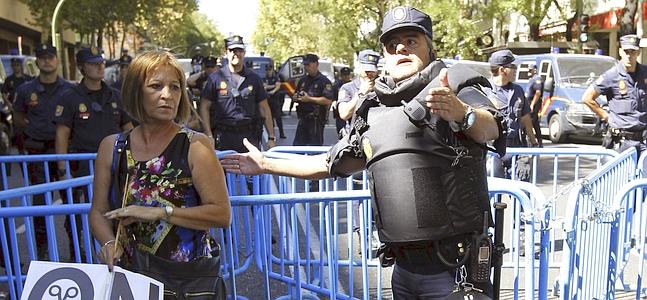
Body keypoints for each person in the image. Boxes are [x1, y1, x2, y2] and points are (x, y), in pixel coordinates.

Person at [222, 6, 504, 298]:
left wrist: (463, 113)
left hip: (454, 270)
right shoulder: (373, 108)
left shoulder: (455, 86)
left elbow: (491, 128)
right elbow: (329, 163)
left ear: (429, 47)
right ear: (384, 54)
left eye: (411, 40)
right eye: (392, 44)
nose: (401, 48)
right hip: (404, 271)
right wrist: (266, 164)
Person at [89, 50, 231, 272]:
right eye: (156, 86)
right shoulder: (112, 147)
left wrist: (162, 212)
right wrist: (108, 243)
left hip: (185, 281)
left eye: (175, 87)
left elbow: (221, 214)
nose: (168, 95)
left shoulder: (196, 146)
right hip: (130, 275)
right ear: (136, 91)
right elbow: (98, 211)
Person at [54, 47, 133, 258]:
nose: (100, 67)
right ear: (81, 67)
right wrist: (62, 169)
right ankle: (77, 253)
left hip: (116, 165)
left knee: (117, 209)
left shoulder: (114, 95)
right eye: (93, 63)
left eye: (101, 62)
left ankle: (118, 251)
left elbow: (128, 128)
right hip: (83, 167)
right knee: (80, 214)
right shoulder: (69, 97)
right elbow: (62, 134)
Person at [13, 44, 72, 259]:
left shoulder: (69, 89)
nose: (47, 61)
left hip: (64, 154)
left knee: (72, 204)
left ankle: (76, 248)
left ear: (57, 60)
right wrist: (31, 128)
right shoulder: (25, 90)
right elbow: (17, 116)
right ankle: (43, 252)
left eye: (50, 57)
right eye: (43, 57)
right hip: (38, 154)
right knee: (39, 207)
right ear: (37, 61)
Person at [199, 35, 275, 152]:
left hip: (249, 137)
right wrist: (208, 134)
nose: (236, 54)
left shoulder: (254, 79)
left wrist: (271, 137)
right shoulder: (215, 78)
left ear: (244, 53)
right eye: (232, 50)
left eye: (239, 50)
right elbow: (204, 107)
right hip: (223, 138)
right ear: (226, 52)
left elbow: (264, 109)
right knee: (223, 170)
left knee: (251, 169)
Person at [584, 34, 647, 161]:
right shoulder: (611, 76)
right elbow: (587, 98)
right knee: (619, 180)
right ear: (620, 52)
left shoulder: (645, 73)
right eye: (626, 51)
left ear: (638, 52)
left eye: (633, 52)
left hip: (643, 141)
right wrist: (606, 116)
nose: (629, 55)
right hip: (621, 142)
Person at [488, 49, 538, 180]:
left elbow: (526, 119)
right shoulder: (485, 90)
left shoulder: (517, 90)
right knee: (494, 187)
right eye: (513, 67)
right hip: (493, 148)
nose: (516, 70)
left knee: (521, 187)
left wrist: (533, 143)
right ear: (502, 69)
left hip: (517, 146)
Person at [292, 54, 334, 146]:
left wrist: (309, 99)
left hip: (316, 120)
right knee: (297, 147)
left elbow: (328, 100)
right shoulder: (303, 80)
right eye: (305, 65)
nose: (306, 67)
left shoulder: (324, 81)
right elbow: (296, 94)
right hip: (303, 118)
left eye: (309, 65)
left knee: (314, 149)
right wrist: (295, 97)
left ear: (316, 64)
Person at [263, 64, 286, 139]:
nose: (268, 71)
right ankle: (272, 134)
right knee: (270, 117)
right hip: (268, 100)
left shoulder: (275, 78)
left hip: (275, 100)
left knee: (278, 117)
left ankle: (281, 133)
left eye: (269, 70)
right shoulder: (264, 78)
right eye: (267, 70)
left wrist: (272, 90)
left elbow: (278, 86)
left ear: (272, 70)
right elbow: (265, 86)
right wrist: (273, 86)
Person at [526, 63, 544, 147]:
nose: (529, 71)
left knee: (531, 122)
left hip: (533, 103)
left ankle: (535, 142)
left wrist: (532, 104)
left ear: (535, 70)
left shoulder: (537, 79)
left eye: (530, 70)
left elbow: (538, 92)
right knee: (534, 122)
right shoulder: (531, 79)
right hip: (529, 102)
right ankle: (537, 141)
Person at [331, 67, 353, 137]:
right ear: (341, 75)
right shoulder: (337, 85)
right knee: (341, 132)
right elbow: (333, 97)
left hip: (351, 111)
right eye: (344, 75)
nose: (346, 76)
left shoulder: (353, 85)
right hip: (340, 112)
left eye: (347, 75)